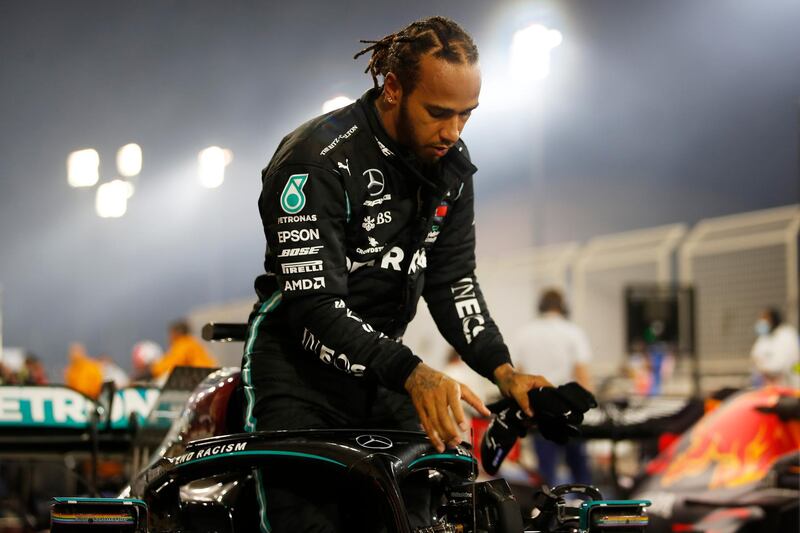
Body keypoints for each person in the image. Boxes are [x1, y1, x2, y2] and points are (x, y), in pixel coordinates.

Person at [242, 16, 552, 532]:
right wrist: (413, 372)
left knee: (419, 520)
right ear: (392, 88)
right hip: (298, 376)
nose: (453, 132)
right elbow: (314, 306)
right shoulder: (314, 161)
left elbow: (452, 279)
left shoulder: (451, 162)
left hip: (384, 375)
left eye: (466, 116)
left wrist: (504, 370)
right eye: (438, 113)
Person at [510, 288, 593, 486]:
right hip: (568, 408)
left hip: (539, 408)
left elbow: (516, 376)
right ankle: (588, 510)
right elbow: (583, 376)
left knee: (546, 473)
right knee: (579, 469)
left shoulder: (524, 333)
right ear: (563, 307)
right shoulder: (574, 332)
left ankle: (547, 515)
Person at [149, 320, 217, 381]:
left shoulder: (183, 344)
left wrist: (152, 372)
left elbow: (171, 365)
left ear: (176, 333)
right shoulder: (193, 342)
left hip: (199, 378)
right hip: (208, 376)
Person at [751, 308, 800, 388]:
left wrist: (765, 368)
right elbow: (755, 357)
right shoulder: (764, 338)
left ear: (773, 319)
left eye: (765, 318)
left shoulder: (787, 334)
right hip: (770, 386)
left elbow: (780, 364)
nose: (762, 322)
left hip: (791, 384)